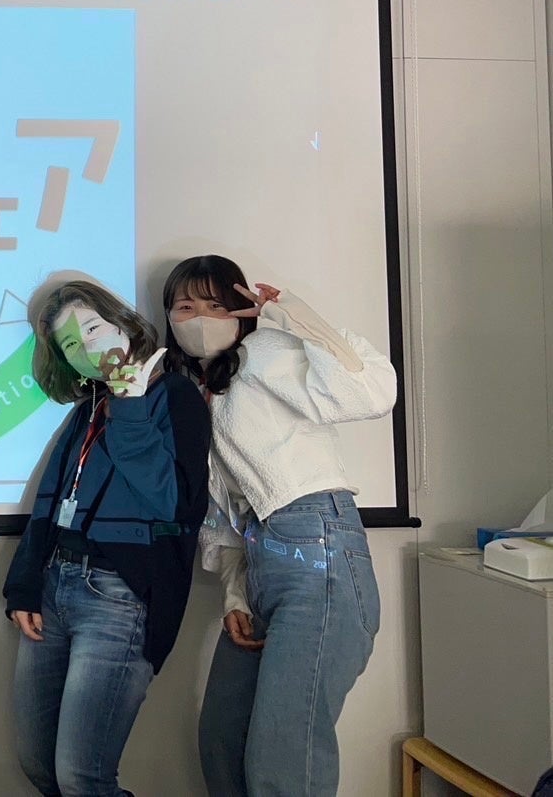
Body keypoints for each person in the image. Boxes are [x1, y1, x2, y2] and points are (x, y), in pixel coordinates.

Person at [163, 254, 397, 797]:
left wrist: (292, 314)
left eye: (216, 305)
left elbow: (369, 392)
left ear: (239, 310)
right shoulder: (195, 390)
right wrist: (235, 594)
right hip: (262, 556)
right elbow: (225, 508)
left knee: (283, 757)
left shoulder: (265, 351)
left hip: (319, 548)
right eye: (185, 306)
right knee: (222, 742)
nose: (201, 318)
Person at [3, 274, 211, 797]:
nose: (88, 348)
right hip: (54, 587)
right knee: (38, 763)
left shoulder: (174, 395)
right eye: (71, 345)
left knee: (83, 777)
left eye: (93, 328)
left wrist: (131, 408)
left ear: (123, 323)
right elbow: (51, 499)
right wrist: (25, 585)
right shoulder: (88, 409)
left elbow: (176, 504)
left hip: (119, 596)